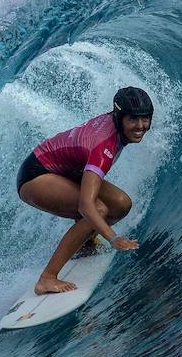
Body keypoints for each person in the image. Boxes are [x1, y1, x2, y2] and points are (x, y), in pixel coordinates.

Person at [16, 86, 153, 295]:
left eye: (145, 119)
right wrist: (113, 238)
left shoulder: (114, 124)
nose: (140, 126)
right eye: (133, 119)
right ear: (119, 117)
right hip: (36, 175)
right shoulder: (103, 146)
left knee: (120, 203)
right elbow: (85, 206)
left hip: (65, 171)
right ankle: (47, 278)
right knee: (96, 210)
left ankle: (85, 244)